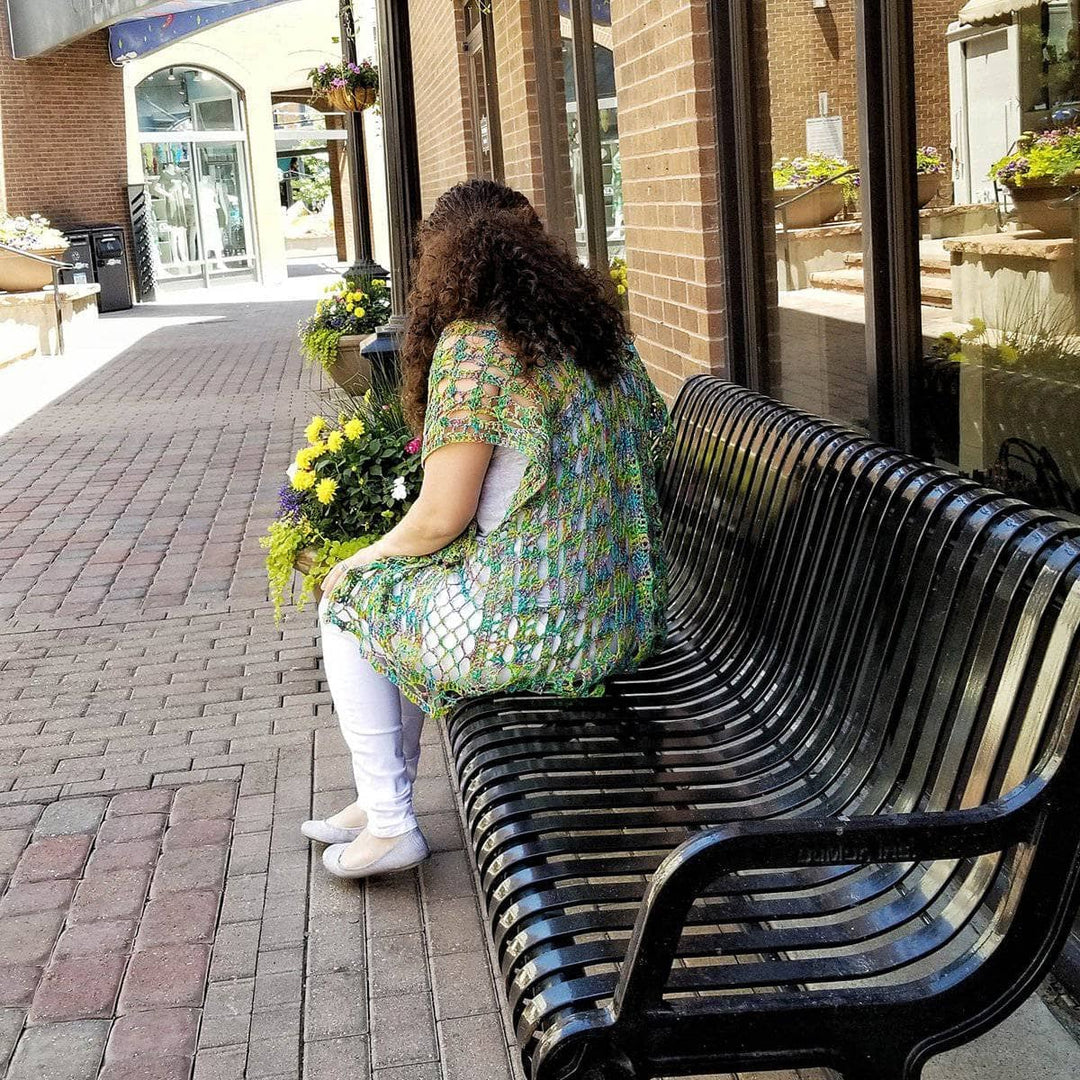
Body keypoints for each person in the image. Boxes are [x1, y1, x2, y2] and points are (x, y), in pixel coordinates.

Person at [303, 179, 672, 880]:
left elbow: (443, 517)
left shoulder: (478, 351)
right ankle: (378, 794)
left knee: (347, 602)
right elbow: (652, 442)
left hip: (532, 629)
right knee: (396, 591)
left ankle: (390, 822)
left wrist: (358, 561)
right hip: (619, 613)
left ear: (441, 261)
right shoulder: (595, 338)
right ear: (537, 247)